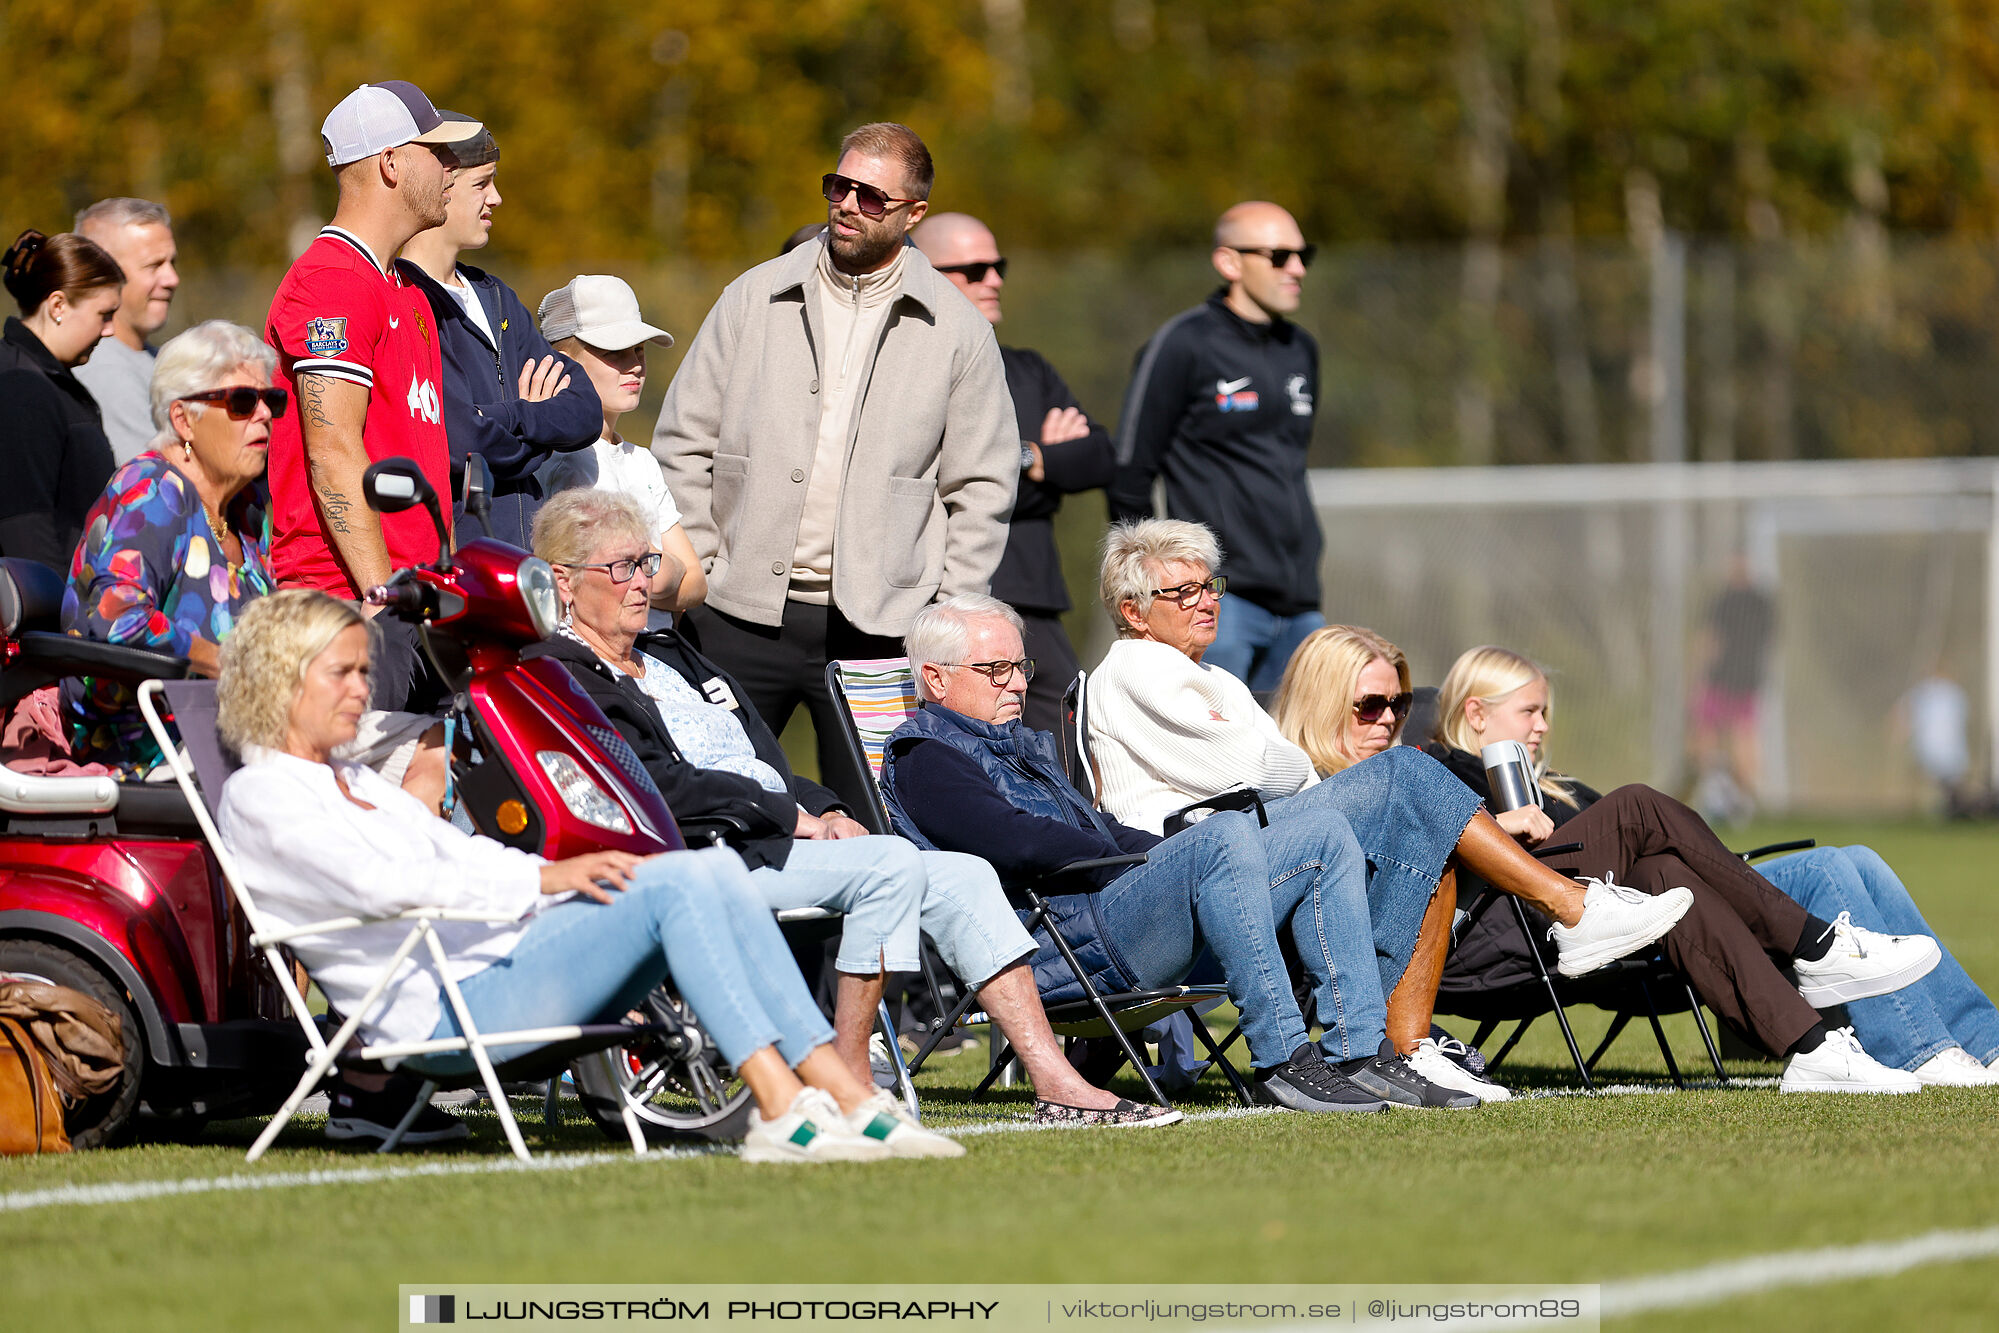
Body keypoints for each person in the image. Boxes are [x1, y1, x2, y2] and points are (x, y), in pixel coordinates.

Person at [215, 589, 959, 1161]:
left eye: (360, 671)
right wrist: (546, 883)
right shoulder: (264, 793)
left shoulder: (353, 780)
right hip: (441, 1007)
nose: (359, 689)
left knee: (707, 871)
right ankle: (781, 1103)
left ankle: (838, 1092)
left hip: (497, 960)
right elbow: (384, 889)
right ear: (282, 680)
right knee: (677, 881)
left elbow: (455, 856)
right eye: (340, 673)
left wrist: (555, 873)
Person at [521, 490, 1173, 1127]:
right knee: (890, 863)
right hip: (706, 855)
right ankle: (850, 1071)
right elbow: (652, 786)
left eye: (646, 562)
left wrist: (825, 807)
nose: (643, 581)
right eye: (621, 567)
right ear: (563, 582)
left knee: (962, 875)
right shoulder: (562, 675)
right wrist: (782, 813)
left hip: (777, 835)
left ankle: (1056, 1081)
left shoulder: (672, 657)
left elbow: (767, 762)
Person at [1084, 521, 1696, 1101]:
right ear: (1135, 612)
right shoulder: (1138, 667)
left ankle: (1403, 1047)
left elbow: (1274, 770)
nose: (1205, 601)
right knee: (1404, 772)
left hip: (1242, 870)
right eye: (1183, 591)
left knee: (1426, 828)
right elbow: (1254, 774)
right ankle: (1570, 907)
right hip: (1181, 895)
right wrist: (1286, 769)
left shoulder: (1214, 678)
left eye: (1210, 585)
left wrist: (1283, 769)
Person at [883, 595, 1505, 1114]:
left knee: (1318, 831)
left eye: (1022, 667)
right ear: (936, 678)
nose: (1018, 682)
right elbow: (1013, 843)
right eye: (998, 671)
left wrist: (1166, 858)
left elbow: (1100, 828)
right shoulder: (926, 758)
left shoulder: (1018, 748)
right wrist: (1163, 858)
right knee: (1221, 834)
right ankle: (1282, 1056)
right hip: (1062, 948)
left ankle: (1359, 1051)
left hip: (1109, 916)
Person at [1425, 643, 1985, 1090]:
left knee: (1854, 860)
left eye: (1545, 711)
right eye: (1530, 711)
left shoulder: (1560, 787)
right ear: (1476, 712)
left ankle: (1975, 1043)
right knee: (1643, 806)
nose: (1542, 725)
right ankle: (1902, 1031)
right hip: (1530, 924)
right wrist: (1504, 821)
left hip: (1664, 899)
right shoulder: (1444, 777)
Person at [653, 122, 1017, 807]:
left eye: (872, 196)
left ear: (914, 214)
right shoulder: (752, 296)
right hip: (736, 614)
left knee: (885, 822)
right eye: (838, 185)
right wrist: (705, 561)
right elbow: (682, 441)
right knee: (714, 806)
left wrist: (943, 618)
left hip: (882, 630)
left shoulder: (958, 329)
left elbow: (981, 486)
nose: (848, 204)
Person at [263, 80, 469, 712]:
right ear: (390, 163)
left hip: (413, 601)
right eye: (437, 153)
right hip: (349, 603)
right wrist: (382, 597)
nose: (452, 168)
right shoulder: (332, 282)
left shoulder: (404, 289)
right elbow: (331, 451)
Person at [1108, 202, 1323, 692]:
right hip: (1220, 600)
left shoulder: (1302, 348)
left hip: (1300, 604)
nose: (1298, 268)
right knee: (1214, 756)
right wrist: (1161, 586)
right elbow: (1130, 472)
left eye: (1303, 254)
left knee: (1303, 758)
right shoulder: (1183, 344)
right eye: (1280, 255)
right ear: (1229, 263)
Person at [913, 211, 1113, 734]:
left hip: (1034, 597)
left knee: (1070, 739)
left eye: (997, 265)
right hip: (945, 599)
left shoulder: (1026, 368)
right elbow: (931, 478)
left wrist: (1013, 458)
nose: (995, 279)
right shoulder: (906, 372)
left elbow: (1098, 456)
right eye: (975, 270)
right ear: (924, 274)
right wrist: (1038, 459)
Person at [60, 321, 279, 772]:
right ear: (184, 419)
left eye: (270, 400)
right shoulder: (152, 490)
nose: (264, 415)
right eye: (242, 401)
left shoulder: (246, 506)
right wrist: (222, 664)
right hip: (151, 748)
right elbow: (116, 618)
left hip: (241, 741)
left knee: (418, 747)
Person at [397, 119, 601, 548]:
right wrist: (538, 433)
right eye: (482, 184)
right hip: (459, 560)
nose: (497, 198)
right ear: (441, 187)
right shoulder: (404, 301)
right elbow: (460, 440)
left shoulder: (498, 297)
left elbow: (585, 410)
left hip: (527, 559)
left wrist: (508, 415)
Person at [537, 276, 705, 627]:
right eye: (614, 352)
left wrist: (646, 568)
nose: (635, 365)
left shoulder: (641, 461)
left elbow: (696, 582)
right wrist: (660, 565)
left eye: (639, 349)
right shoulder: (549, 460)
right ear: (560, 359)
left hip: (656, 652)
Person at [0, 229, 123, 569]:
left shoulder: (49, 380)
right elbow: (25, 532)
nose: (110, 329)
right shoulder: (19, 386)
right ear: (58, 305)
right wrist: (58, 618)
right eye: (104, 314)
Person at [72, 198, 181, 463]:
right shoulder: (105, 371)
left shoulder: (152, 359)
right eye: (154, 265)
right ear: (102, 274)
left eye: (172, 263)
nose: (172, 279)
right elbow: (154, 488)